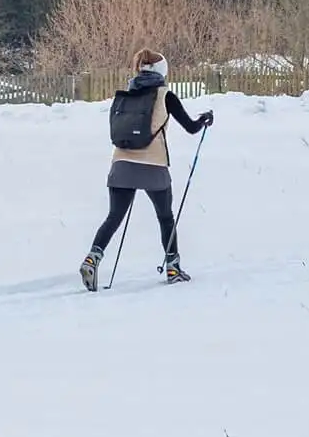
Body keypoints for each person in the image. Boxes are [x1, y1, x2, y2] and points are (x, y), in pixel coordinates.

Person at [81, 48, 211, 290]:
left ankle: (92, 259)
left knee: (113, 217)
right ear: (163, 71)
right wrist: (205, 120)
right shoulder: (166, 96)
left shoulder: (126, 95)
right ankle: (173, 267)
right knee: (165, 218)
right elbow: (192, 128)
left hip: (121, 166)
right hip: (154, 167)